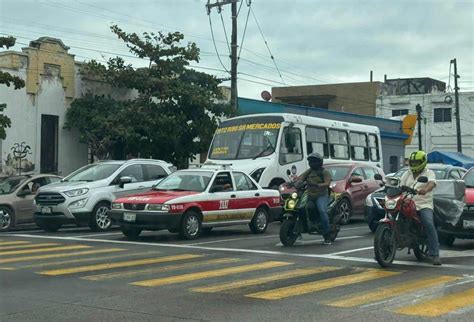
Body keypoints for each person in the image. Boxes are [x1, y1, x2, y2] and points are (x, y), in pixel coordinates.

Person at [400, 150, 441, 266]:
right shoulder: (406, 174)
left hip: (423, 204)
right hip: (407, 202)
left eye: (416, 162)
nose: (413, 164)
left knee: (428, 223)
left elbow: (431, 183)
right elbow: (399, 185)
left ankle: (435, 254)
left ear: (423, 162)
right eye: (412, 162)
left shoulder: (429, 173)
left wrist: (425, 190)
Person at [298, 153, 333, 245]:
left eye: (314, 161)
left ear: (319, 162)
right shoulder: (309, 171)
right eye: (310, 161)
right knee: (301, 208)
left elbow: (327, 183)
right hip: (309, 195)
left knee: (322, 211)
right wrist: (296, 183)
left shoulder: (324, 172)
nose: (312, 163)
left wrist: (317, 185)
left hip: (321, 195)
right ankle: (299, 230)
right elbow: (301, 178)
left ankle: (327, 235)